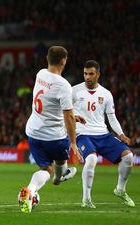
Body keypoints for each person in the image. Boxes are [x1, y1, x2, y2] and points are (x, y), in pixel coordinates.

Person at [18, 46, 84, 213]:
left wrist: (72, 117)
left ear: (47, 58)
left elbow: (49, 105)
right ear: (64, 61)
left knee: (46, 169)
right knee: (60, 166)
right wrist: (74, 142)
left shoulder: (40, 74)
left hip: (34, 133)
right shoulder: (64, 85)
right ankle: (60, 176)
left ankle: (31, 191)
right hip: (54, 137)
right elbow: (67, 115)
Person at [73, 60, 135, 208]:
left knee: (128, 156)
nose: (87, 77)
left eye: (91, 74)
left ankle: (120, 189)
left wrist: (121, 134)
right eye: (85, 74)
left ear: (98, 75)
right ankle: (86, 199)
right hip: (83, 134)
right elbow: (65, 112)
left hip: (103, 134)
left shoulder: (106, 94)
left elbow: (111, 117)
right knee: (92, 159)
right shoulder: (73, 91)